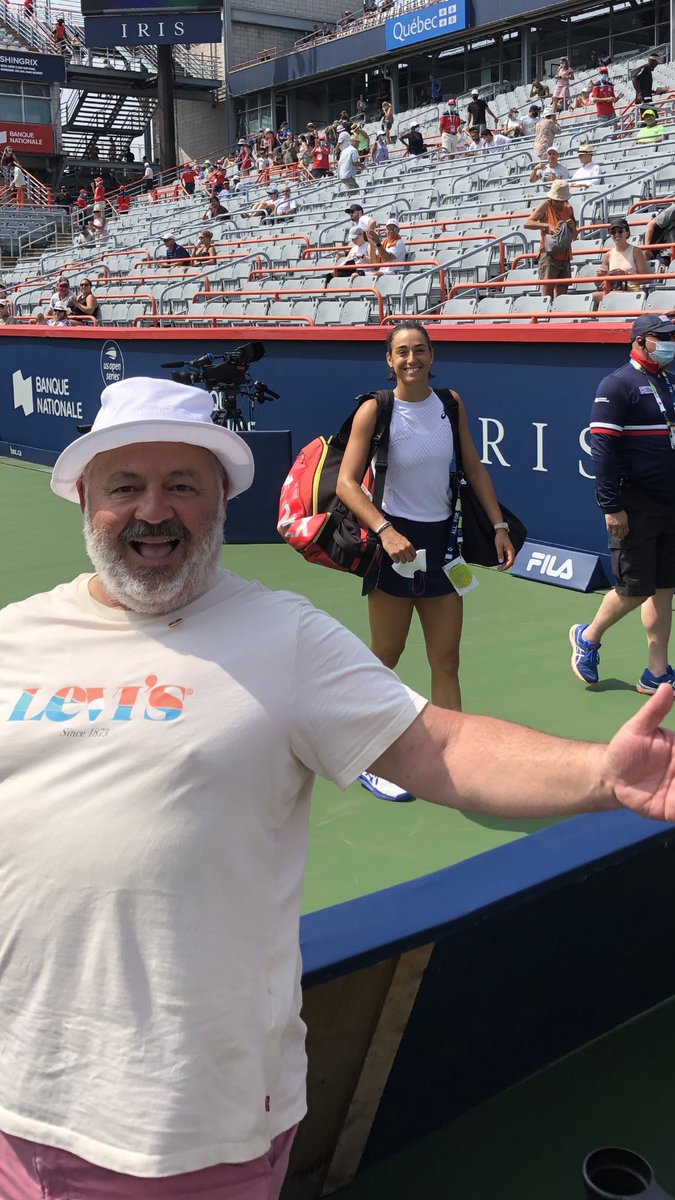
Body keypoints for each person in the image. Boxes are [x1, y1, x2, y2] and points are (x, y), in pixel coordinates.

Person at [4, 378, 675, 1199]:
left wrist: (602, 775)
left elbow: (441, 748)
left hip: (179, 1134)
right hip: (15, 1105)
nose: (154, 510)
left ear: (219, 500)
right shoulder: (17, 637)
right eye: (125, 486)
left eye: (182, 485)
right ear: (83, 498)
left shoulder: (283, 635)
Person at [335, 320, 515, 800]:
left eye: (419, 350)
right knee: (386, 657)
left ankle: (455, 756)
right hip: (392, 545)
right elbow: (346, 483)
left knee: (447, 659)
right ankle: (373, 756)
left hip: (443, 548)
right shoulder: (375, 409)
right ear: (389, 360)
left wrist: (498, 527)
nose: (411, 359)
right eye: (401, 352)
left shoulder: (450, 404)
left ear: (432, 356)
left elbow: (473, 467)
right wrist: (385, 530)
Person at [570, 313, 675, 694]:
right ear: (640, 340)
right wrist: (611, 506)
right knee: (635, 589)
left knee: (665, 587)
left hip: (670, 503)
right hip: (634, 504)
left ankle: (657, 672)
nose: (670, 342)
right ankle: (589, 636)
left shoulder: (668, 382)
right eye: (662, 336)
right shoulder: (616, 385)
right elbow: (602, 450)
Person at [524, 179, 577, 299]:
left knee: (562, 294)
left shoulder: (568, 209)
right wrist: (547, 225)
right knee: (547, 292)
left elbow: (574, 236)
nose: (559, 203)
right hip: (549, 255)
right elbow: (527, 223)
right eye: (557, 200)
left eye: (562, 200)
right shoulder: (546, 205)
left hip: (565, 255)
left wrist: (572, 227)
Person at [593, 217, 648, 307]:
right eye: (613, 232)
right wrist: (600, 275)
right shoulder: (608, 255)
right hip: (613, 291)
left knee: (610, 297)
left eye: (620, 231)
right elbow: (598, 283)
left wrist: (626, 274)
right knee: (592, 297)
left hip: (632, 291)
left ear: (627, 233)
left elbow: (646, 278)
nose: (616, 234)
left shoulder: (636, 251)